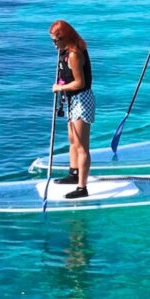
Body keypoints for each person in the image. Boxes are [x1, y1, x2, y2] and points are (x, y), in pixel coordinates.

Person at [49, 20, 96, 199]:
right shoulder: (65, 52)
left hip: (81, 100)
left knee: (82, 146)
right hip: (71, 100)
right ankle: (73, 173)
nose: (54, 45)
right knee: (72, 141)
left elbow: (80, 82)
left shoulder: (75, 54)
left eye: (56, 41)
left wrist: (59, 88)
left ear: (65, 38)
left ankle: (82, 187)